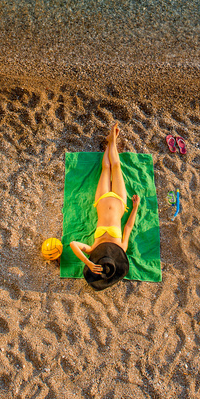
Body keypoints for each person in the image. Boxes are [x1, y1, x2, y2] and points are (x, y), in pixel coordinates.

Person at [69, 123, 141, 289]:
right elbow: (128, 227)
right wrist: (135, 206)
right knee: (116, 166)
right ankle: (112, 140)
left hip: (101, 199)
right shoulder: (121, 247)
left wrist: (88, 261)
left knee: (106, 168)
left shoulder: (93, 248)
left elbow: (73, 244)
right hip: (120, 201)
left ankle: (112, 140)